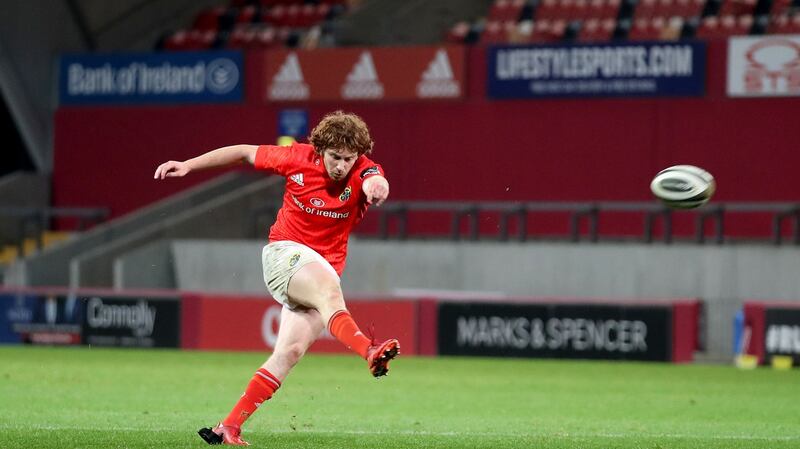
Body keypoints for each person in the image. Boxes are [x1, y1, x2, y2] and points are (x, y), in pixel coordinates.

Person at [153, 111, 400, 446]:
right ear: (320, 150)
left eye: (349, 159)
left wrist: (377, 187)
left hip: (317, 273)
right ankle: (369, 352)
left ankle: (228, 427)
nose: (342, 166)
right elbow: (242, 151)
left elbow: (376, 179)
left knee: (290, 351)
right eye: (335, 157)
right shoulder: (296, 157)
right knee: (330, 293)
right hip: (284, 256)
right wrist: (189, 164)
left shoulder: (364, 170)